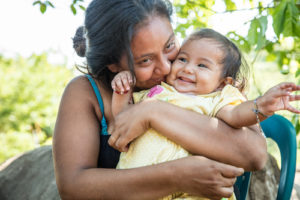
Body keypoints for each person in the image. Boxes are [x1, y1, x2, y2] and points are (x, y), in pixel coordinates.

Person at [53, 0, 268, 199]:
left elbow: (255, 155)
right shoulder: (86, 92)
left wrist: (152, 112)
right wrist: (175, 176)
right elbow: (73, 187)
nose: (166, 67)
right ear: (114, 65)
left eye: (169, 46)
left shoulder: (199, 79)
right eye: (145, 60)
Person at [111, 28, 300, 200]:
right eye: (182, 59)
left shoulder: (216, 98)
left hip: (195, 192)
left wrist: (260, 106)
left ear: (222, 83)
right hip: (145, 190)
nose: (187, 68)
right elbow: (122, 120)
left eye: (202, 66)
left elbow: (236, 115)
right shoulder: (157, 92)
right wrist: (122, 88)